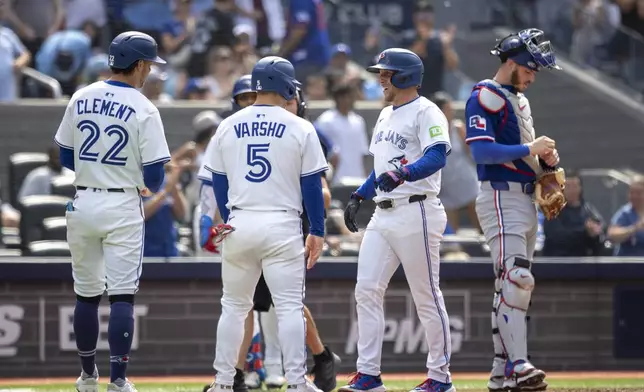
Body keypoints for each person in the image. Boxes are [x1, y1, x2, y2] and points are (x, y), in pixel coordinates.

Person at [198, 75, 339, 392]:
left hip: (241, 221)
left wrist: (228, 215)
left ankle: (223, 382)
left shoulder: (228, 124)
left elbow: (217, 179)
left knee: (233, 307)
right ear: (287, 88)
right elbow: (314, 186)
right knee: (289, 307)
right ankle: (297, 382)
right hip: (281, 222)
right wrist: (317, 228)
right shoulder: (299, 126)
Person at [54, 31, 170, 392]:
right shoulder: (144, 107)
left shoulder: (81, 96)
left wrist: (96, 174)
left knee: (86, 295)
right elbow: (155, 174)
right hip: (121, 202)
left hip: (84, 199)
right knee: (121, 295)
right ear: (137, 65)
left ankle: (88, 376)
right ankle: (118, 380)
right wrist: (130, 179)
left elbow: (65, 156)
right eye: (148, 64)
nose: (149, 71)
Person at [341, 48, 455, 392]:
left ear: (405, 76)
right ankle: (369, 375)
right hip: (383, 211)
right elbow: (380, 170)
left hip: (417, 209)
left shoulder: (426, 111)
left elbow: (437, 156)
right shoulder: (385, 115)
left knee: (426, 295)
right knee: (366, 290)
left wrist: (404, 174)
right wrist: (360, 195)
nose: (380, 78)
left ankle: (440, 377)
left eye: (386, 73)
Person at [463, 28, 562, 392]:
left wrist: (547, 164)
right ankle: (519, 365)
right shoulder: (483, 96)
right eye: (529, 67)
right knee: (518, 279)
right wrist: (531, 150)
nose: (533, 75)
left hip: (524, 198)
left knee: (511, 286)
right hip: (500, 196)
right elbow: (482, 153)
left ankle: (500, 372)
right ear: (510, 61)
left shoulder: (517, 99)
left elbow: (525, 149)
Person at [431, 91, 480, 233]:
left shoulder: (458, 128)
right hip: (446, 185)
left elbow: (471, 152)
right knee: (451, 230)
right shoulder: (430, 131)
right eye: (447, 109)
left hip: (467, 181)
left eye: (451, 108)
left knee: (480, 221)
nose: (451, 112)